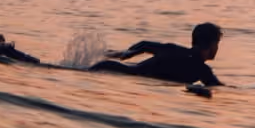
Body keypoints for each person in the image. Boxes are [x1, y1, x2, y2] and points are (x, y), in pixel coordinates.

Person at [91, 22, 223, 86]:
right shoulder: (202, 70)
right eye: (217, 43)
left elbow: (143, 44)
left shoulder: (173, 48)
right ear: (212, 44)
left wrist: (125, 54)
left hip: (111, 66)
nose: (217, 47)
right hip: (116, 71)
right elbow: (218, 89)